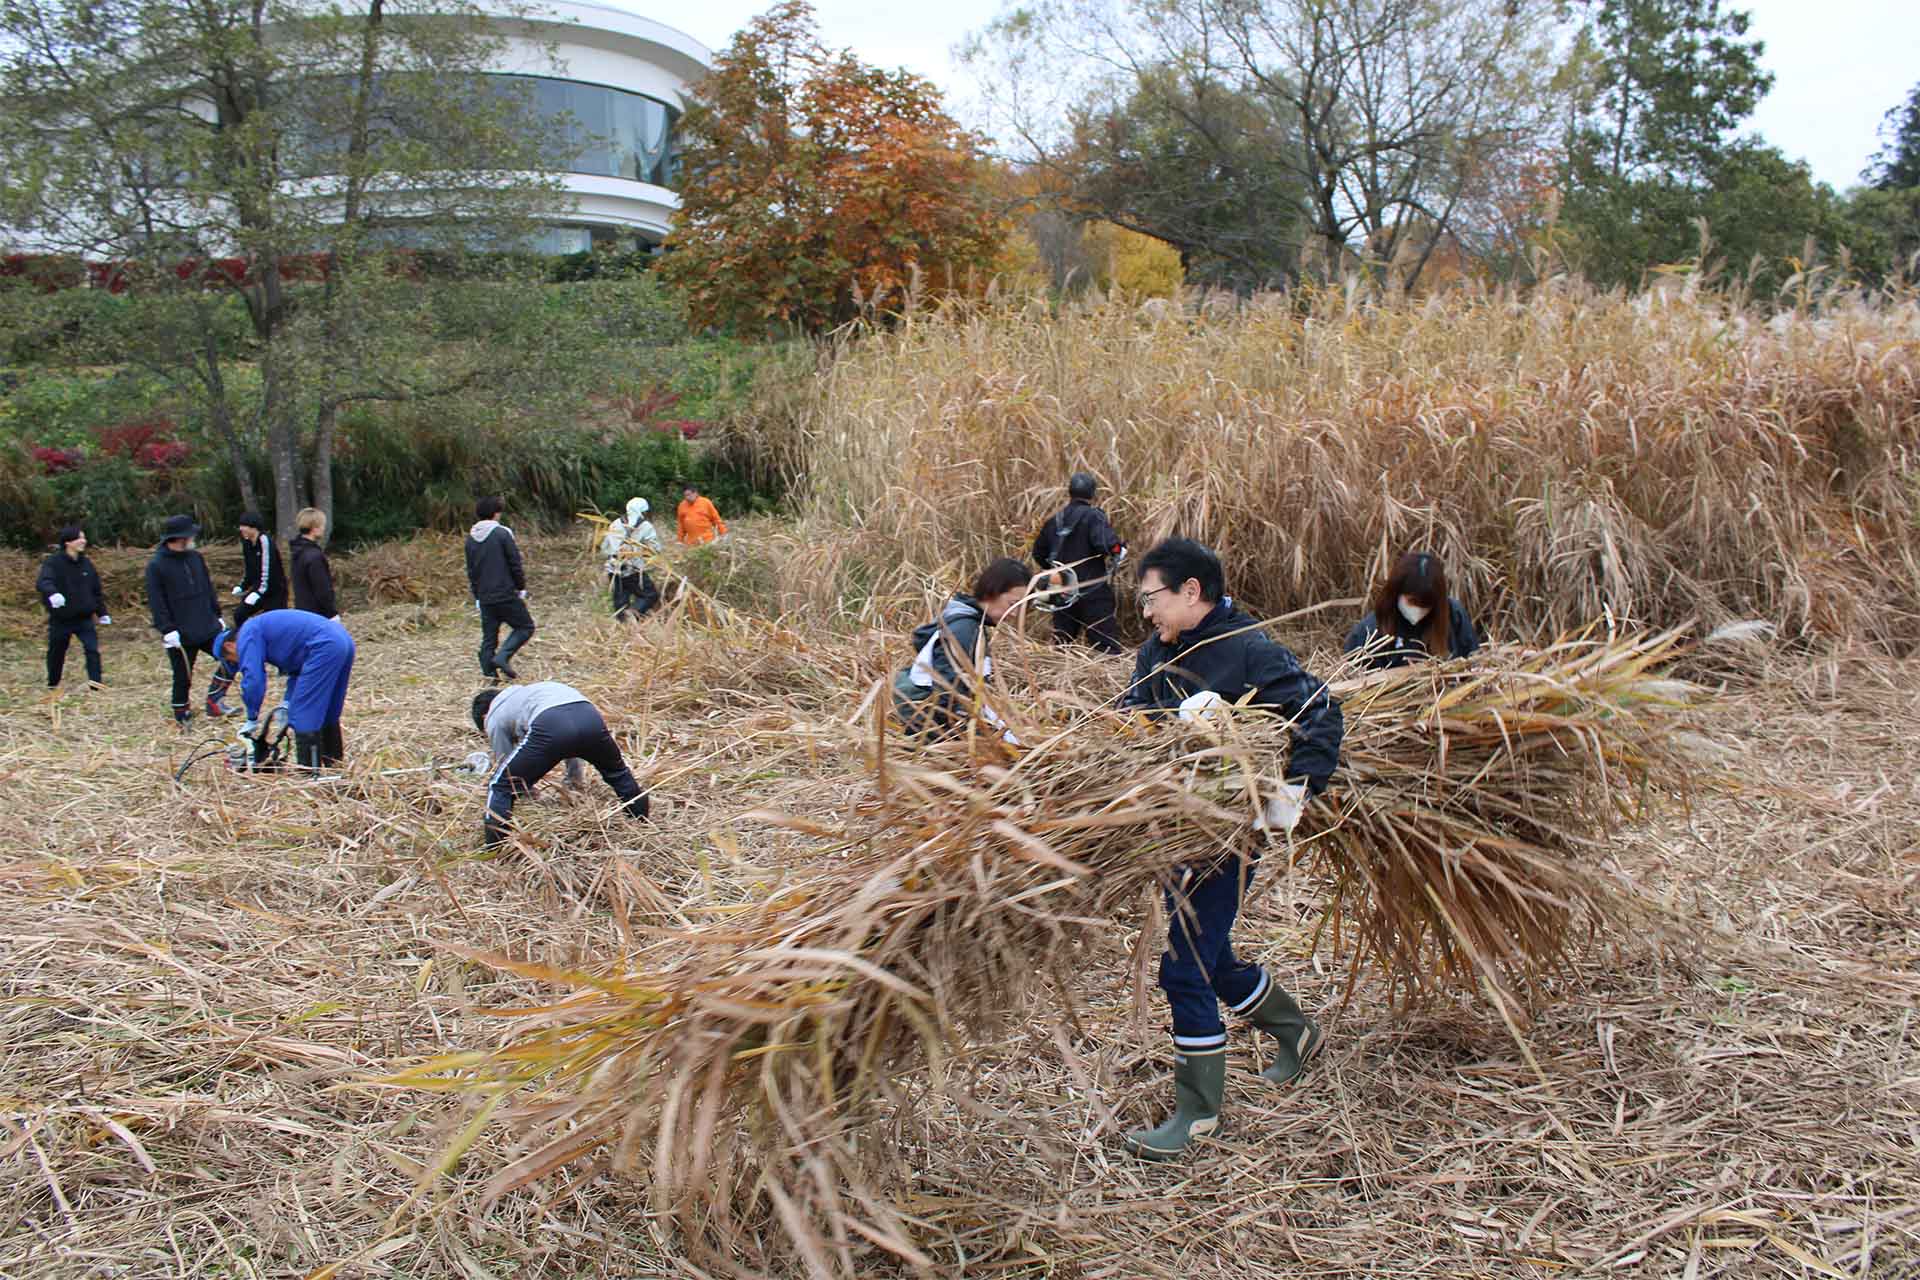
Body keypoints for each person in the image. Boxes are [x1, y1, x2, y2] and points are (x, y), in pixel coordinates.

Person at [1117, 537, 1344, 1161]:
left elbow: (1321, 713)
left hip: (1229, 838)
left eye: (1150, 599)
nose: (1145, 613)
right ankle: (1297, 1033)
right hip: (1172, 835)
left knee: (1183, 968)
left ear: (1192, 592)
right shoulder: (1154, 653)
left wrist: (1288, 803)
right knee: (1211, 959)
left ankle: (1196, 1115)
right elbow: (1132, 719)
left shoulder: (1247, 649)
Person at [471, 682, 650, 848]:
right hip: (588, 715)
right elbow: (570, 743)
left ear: (483, 716)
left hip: (551, 722)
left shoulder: (493, 715)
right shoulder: (529, 693)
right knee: (618, 773)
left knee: (500, 786)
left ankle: (494, 849)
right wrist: (574, 781)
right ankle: (642, 828)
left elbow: (508, 768)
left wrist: (527, 793)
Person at [890, 557, 1029, 741]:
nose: (1015, 614)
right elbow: (949, 695)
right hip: (929, 720)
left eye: (1021, 607)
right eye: (1012, 604)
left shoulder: (967, 620)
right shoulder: (965, 630)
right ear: (991, 592)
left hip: (930, 713)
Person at [216, 610, 355, 770]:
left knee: (304, 714)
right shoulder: (264, 629)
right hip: (341, 640)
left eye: (230, 660)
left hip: (324, 645)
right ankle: (334, 766)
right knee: (328, 710)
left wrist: (252, 717)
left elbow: (254, 679)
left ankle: (309, 774)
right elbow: (298, 670)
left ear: (229, 645)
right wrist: (288, 701)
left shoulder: (248, 634)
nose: (236, 664)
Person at [145, 513, 235, 725]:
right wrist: (167, 629)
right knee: (183, 676)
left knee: (232, 657)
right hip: (179, 631)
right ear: (179, 538)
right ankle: (181, 713)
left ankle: (215, 700)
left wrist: (217, 615)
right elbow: (156, 601)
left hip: (207, 625)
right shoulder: (156, 566)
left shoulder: (196, 557)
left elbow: (207, 588)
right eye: (190, 535)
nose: (194, 539)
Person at [1031, 471, 1127, 653]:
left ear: (1070, 492)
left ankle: (1059, 681)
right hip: (1092, 592)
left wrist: (1057, 573)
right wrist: (1119, 549)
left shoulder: (1054, 521)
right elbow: (1108, 545)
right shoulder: (1094, 517)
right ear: (1092, 493)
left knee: (1062, 648)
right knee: (1107, 649)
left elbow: (1038, 553)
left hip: (1061, 593)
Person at [1343, 550, 1480, 670]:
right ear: (1396, 593)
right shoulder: (1369, 632)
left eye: (1427, 605)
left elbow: (1473, 661)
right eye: (1412, 601)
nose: (1419, 610)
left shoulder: (1454, 616)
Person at [466, 495, 535, 680]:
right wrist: (521, 587)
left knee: (489, 637)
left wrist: (477, 596)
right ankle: (503, 656)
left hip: (485, 596)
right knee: (525, 627)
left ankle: (490, 677)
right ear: (496, 513)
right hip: (505, 592)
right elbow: (515, 563)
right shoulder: (502, 534)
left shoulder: (471, 538)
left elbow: (471, 570)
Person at [37, 523, 110, 690]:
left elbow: (95, 590)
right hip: (61, 618)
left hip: (84, 618)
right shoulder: (53, 563)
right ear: (68, 542)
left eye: (84, 537)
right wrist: (52, 594)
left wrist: (102, 612)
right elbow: (44, 581)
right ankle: (53, 684)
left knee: (92, 650)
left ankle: (96, 685)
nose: (84, 541)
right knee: (57, 652)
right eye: (80, 538)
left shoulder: (86, 564)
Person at [601, 496, 662, 620]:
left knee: (620, 603)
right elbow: (655, 548)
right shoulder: (645, 526)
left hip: (614, 569)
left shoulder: (615, 523)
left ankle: (624, 627)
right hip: (633, 569)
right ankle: (633, 615)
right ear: (642, 511)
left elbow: (605, 548)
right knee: (650, 595)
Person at [231, 511, 287, 630]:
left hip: (274, 591)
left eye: (243, 526)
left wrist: (258, 592)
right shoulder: (247, 543)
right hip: (258, 589)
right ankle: (246, 638)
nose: (241, 529)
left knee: (273, 624)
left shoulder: (264, 541)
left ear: (253, 526)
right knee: (239, 614)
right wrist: (242, 586)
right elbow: (249, 569)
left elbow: (267, 570)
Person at [288, 508, 340, 621]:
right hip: (318, 615)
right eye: (322, 525)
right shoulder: (314, 556)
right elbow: (322, 589)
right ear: (314, 528)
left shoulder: (297, 552)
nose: (323, 529)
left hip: (303, 611)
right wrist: (331, 613)